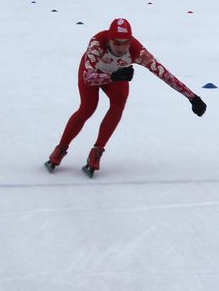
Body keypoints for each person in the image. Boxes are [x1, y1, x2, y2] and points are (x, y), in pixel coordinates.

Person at [45, 18, 207, 177]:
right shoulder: (97, 43)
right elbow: (88, 77)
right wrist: (113, 76)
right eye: (116, 42)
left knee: (118, 104)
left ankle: (97, 150)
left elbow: (163, 74)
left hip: (118, 76)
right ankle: (61, 148)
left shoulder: (138, 51)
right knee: (88, 108)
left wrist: (192, 97)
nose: (121, 48)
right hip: (95, 73)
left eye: (126, 42)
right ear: (108, 40)